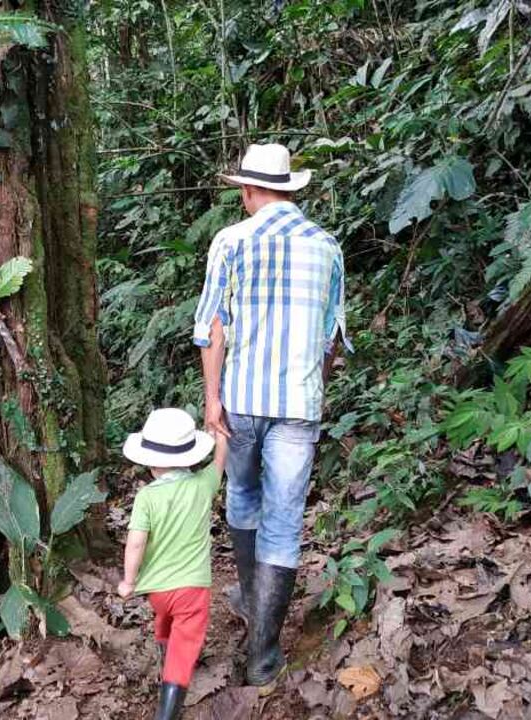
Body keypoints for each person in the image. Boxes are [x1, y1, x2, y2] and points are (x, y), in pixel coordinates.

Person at [192, 143, 350, 686]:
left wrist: (212, 399)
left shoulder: (232, 241)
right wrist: (313, 389)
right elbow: (333, 338)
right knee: (283, 522)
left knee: (241, 495)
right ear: (290, 189)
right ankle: (262, 656)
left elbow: (213, 326)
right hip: (297, 407)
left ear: (248, 191)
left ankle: (251, 597)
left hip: (241, 399)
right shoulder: (327, 247)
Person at [116, 408, 228, 720]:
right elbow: (220, 463)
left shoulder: (146, 498)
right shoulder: (202, 485)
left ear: (150, 460)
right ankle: (167, 713)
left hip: (158, 592)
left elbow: (136, 542)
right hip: (192, 589)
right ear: (191, 455)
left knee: (165, 620)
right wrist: (220, 436)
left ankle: (166, 652)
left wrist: (128, 580)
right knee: (185, 645)